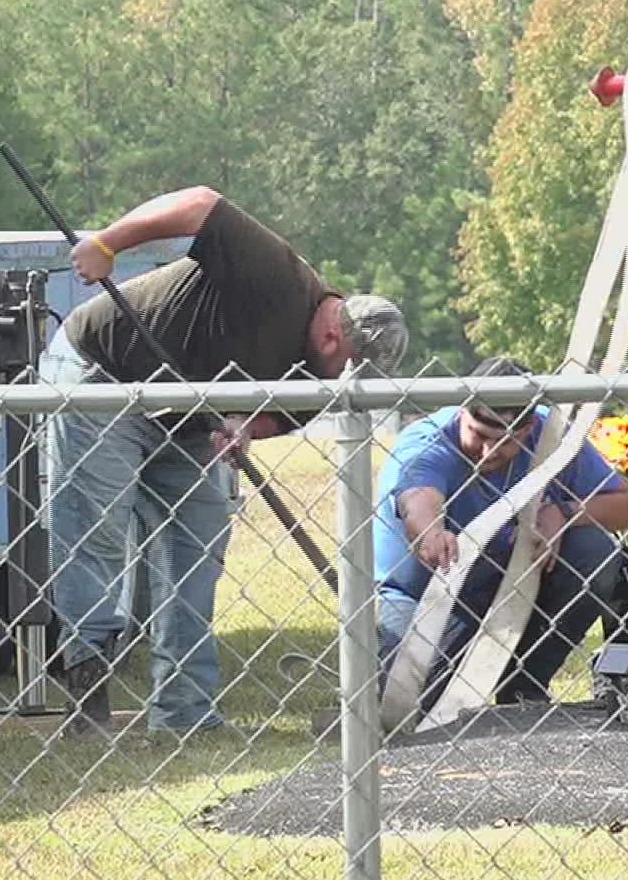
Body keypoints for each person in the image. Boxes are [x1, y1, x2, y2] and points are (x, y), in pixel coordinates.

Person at [41, 184, 408, 735]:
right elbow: (198, 203)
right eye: (348, 367)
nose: (343, 383)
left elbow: (287, 413)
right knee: (96, 533)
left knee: (196, 551)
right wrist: (108, 244)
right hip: (105, 375)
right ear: (334, 332)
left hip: (191, 415)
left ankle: (185, 714)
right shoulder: (277, 276)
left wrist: (245, 427)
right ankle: (86, 692)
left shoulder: (322, 368)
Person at [374, 356, 628, 715]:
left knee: (594, 550)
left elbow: (621, 503)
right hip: (426, 598)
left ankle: (524, 687)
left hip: (510, 588)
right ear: (462, 412)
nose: (488, 452)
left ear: (528, 430)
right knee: (409, 711)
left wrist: (563, 513)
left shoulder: (550, 434)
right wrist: (432, 533)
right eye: (478, 436)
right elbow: (417, 497)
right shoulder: (429, 441)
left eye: (504, 442)